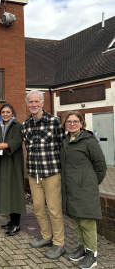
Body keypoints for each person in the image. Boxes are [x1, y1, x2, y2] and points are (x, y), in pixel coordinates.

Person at [21, 90, 66, 260]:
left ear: (42, 103)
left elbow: (63, 146)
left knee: (54, 209)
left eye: (36, 101)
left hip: (52, 172)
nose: (33, 105)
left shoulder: (55, 122)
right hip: (34, 173)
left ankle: (59, 243)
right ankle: (46, 236)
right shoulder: (25, 125)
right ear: (27, 104)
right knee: (38, 208)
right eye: (30, 102)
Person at [60, 111, 106, 269]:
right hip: (71, 188)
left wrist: (90, 182)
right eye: (69, 121)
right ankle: (82, 247)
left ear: (81, 123)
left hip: (85, 188)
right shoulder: (65, 140)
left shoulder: (88, 141)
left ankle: (92, 255)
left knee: (87, 221)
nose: (72, 124)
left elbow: (101, 166)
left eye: (75, 121)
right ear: (64, 124)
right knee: (77, 220)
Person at [0, 103, 26, 236]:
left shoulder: (18, 125)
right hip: (0, 161)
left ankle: (16, 225)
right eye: (3, 112)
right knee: (5, 191)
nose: (5, 114)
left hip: (13, 162)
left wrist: (3, 145)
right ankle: (11, 221)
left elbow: (17, 141)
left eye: (8, 112)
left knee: (14, 191)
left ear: (12, 113)